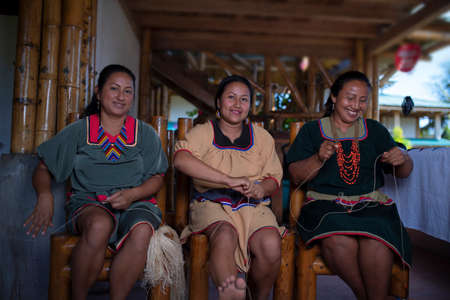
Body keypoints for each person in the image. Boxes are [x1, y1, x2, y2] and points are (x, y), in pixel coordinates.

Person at [24, 64, 169, 300]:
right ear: (99, 93)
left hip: (137, 204)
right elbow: (43, 168)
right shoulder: (79, 130)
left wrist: (132, 195)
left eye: (128, 91)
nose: (121, 96)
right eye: (114, 89)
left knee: (142, 231)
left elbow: (157, 177)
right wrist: (45, 195)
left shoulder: (145, 133)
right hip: (89, 204)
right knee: (100, 225)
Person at [286, 71, 413, 300]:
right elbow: (295, 176)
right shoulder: (312, 131)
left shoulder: (374, 130)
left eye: (362, 100)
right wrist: (318, 158)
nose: (356, 105)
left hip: (370, 206)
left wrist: (403, 158)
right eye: (350, 97)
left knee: (376, 238)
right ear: (334, 97)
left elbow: (403, 173)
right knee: (338, 238)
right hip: (325, 207)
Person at [173, 75, 285, 300]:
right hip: (211, 204)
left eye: (244, 99)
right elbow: (180, 160)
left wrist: (261, 189)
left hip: (254, 206)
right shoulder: (203, 133)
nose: (237, 104)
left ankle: (258, 297)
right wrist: (227, 180)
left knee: (271, 243)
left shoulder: (262, 137)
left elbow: (273, 177)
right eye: (231, 97)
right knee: (225, 235)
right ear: (218, 102)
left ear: (250, 106)